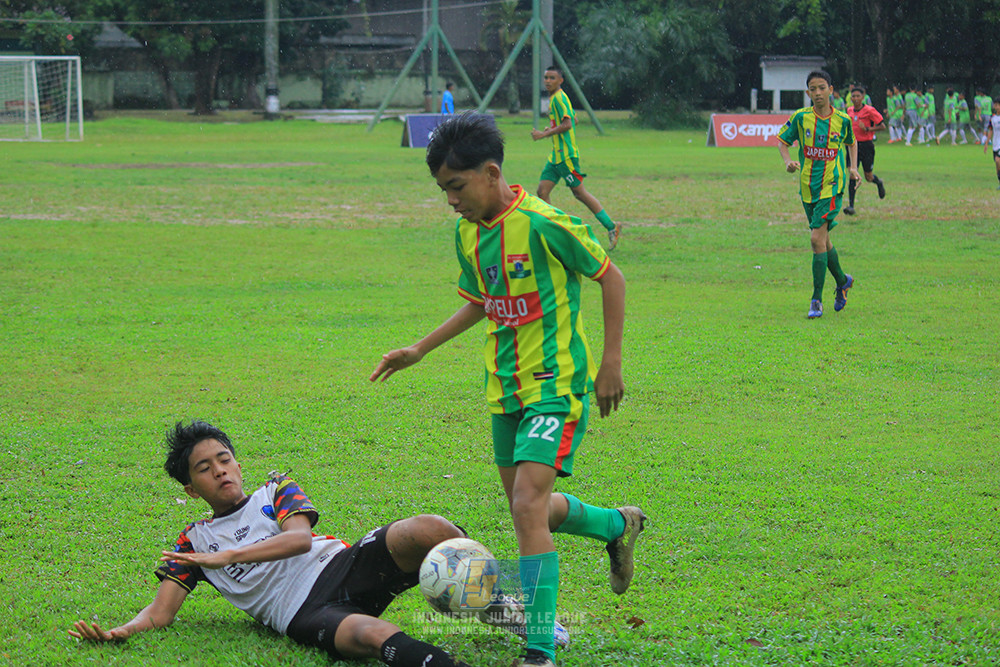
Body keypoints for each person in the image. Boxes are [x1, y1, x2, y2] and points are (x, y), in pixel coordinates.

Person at [370, 113, 645, 667]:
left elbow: (610, 277)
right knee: (532, 507)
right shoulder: (466, 231)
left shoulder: (547, 223)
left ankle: (539, 649)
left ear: (490, 171)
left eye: (456, 186)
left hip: (556, 385)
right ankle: (618, 525)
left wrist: (611, 362)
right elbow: (481, 298)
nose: (451, 200)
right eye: (443, 190)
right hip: (504, 389)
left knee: (526, 507)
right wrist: (421, 348)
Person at [68, 421, 553, 667]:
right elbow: (160, 614)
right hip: (302, 613)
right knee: (371, 636)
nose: (220, 470)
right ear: (192, 489)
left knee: (430, 528)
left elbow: (299, 541)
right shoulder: (194, 543)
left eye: (224, 458)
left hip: (342, 566)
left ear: (237, 463)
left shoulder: (276, 489)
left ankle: (502, 609)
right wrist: (118, 633)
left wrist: (228, 555)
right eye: (204, 468)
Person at [777, 70, 859, 319]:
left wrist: (853, 167)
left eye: (822, 88)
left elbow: (852, 142)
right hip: (807, 188)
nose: (818, 93)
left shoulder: (842, 120)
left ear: (831, 90)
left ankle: (816, 299)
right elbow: (782, 141)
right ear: (807, 93)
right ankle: (843, 280)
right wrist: (788, 161)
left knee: (815, 240)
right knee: (823, 240)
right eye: (813, 89)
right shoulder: (801, 118)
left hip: (832, 186)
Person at [531, 65, 622, 250]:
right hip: (555, 157)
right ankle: (553, 233)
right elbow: (573, 119)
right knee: (542, 192)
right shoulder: (555, 98)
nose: (548, 81)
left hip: (567, 157)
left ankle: (611, 226)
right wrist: (552, 129)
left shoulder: (560, 98)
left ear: (560, 81)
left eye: (552, 78)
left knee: (579, 193)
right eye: (546, 77)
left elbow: (569, 124)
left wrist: (544, 134)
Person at [844, 85, 887, 215]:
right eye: (853, 96)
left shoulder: (869, 110)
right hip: (852, 146)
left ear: (863, 97)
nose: (855, 98)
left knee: (868, 177)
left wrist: (868, 129)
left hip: (866, 146)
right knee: (852, 174)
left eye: (858, 96)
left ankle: (878, 182)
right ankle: (851, 206)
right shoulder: (849, 111)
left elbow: (882, 126)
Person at [984, 100, 1000, 189]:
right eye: (995, 105)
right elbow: (990, 130)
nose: (996, 107)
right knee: (997, 164)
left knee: (998, 160)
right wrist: (986, 143)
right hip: (995, 144)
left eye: (998, 105)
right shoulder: (993, 118)